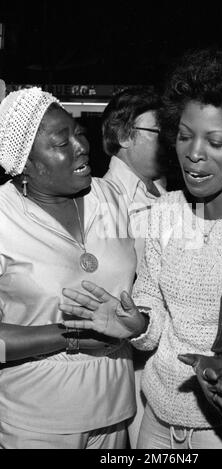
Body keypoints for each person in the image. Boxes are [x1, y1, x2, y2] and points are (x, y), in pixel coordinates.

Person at [60, 48, 222, 449]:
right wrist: (137, 324)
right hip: (157, 420)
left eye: (216, 140)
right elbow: (153, 312)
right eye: (185, 136)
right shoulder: (166, 212)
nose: (193, 153)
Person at [0, 87, 137, 449]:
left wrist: (138, 321)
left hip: (114, 410)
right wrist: (71, 335)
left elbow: (137, 290)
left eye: (78, 133)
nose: (81, 146)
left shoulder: (108, 197)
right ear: (25, 163)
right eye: (62, 143)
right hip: (37, 421)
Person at [101, 86, 166, 448]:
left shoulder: (171, 193)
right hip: (134, 358)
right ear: (125, 136)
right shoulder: (105, 199)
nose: (171, 141)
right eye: (160, 131)